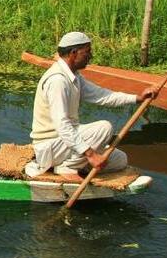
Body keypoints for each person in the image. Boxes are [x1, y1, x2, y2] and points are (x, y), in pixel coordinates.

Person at [25, 32, 156, 181]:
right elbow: (62, 125)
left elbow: (103, 96)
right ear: (74, 53)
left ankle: (76, 164)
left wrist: (137, 98)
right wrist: (91, 154)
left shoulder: (74, 77)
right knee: (104, 128)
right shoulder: (58, 81)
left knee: (120, 159)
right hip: (50, 145)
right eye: (87, 52)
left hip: (65, 144)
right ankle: (67, 167)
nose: (90, 56)